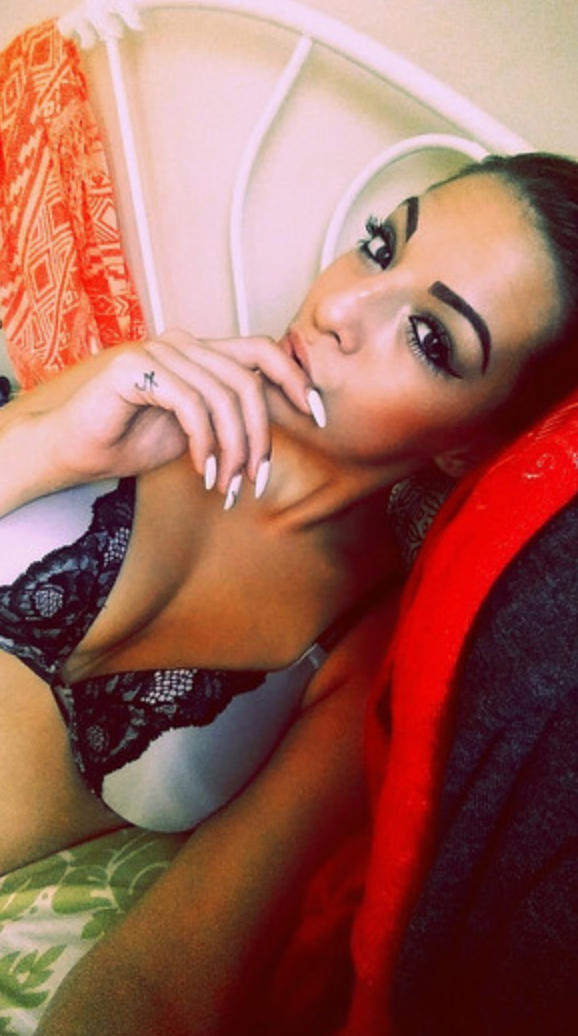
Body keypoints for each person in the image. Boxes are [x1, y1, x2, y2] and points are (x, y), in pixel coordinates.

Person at [0, 152, 577, 1035]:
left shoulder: (359, 655)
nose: (340, 308)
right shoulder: (148, 384)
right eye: (380, 247)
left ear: (471, 443)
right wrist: (51, 448)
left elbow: (170, 978)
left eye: (430, 338)